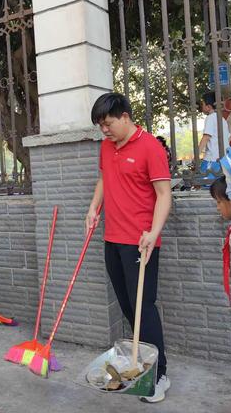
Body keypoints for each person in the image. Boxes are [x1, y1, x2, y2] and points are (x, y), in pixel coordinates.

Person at [86, 93, 172, 403]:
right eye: (100, 126)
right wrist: (94, 207)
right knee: (126, 303)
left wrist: (154, 232)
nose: (104, 131)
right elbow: (104, 178)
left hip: (141, 241)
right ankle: (140, 360)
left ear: (125, 117)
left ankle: (159, 374)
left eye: (107, 124)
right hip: (112, 238)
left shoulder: (150, 148)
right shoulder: (107, 147)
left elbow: (164, 195)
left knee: (143, 308)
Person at [199, 92, 231, 178]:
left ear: (208, 107)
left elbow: (206, 137)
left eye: (203, 104)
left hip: (211, 159)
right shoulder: (222, 119)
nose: (201, 106)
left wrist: (197, 154)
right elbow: (229, 137)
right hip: (223, 159)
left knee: (204, 183)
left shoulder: (210, 117)